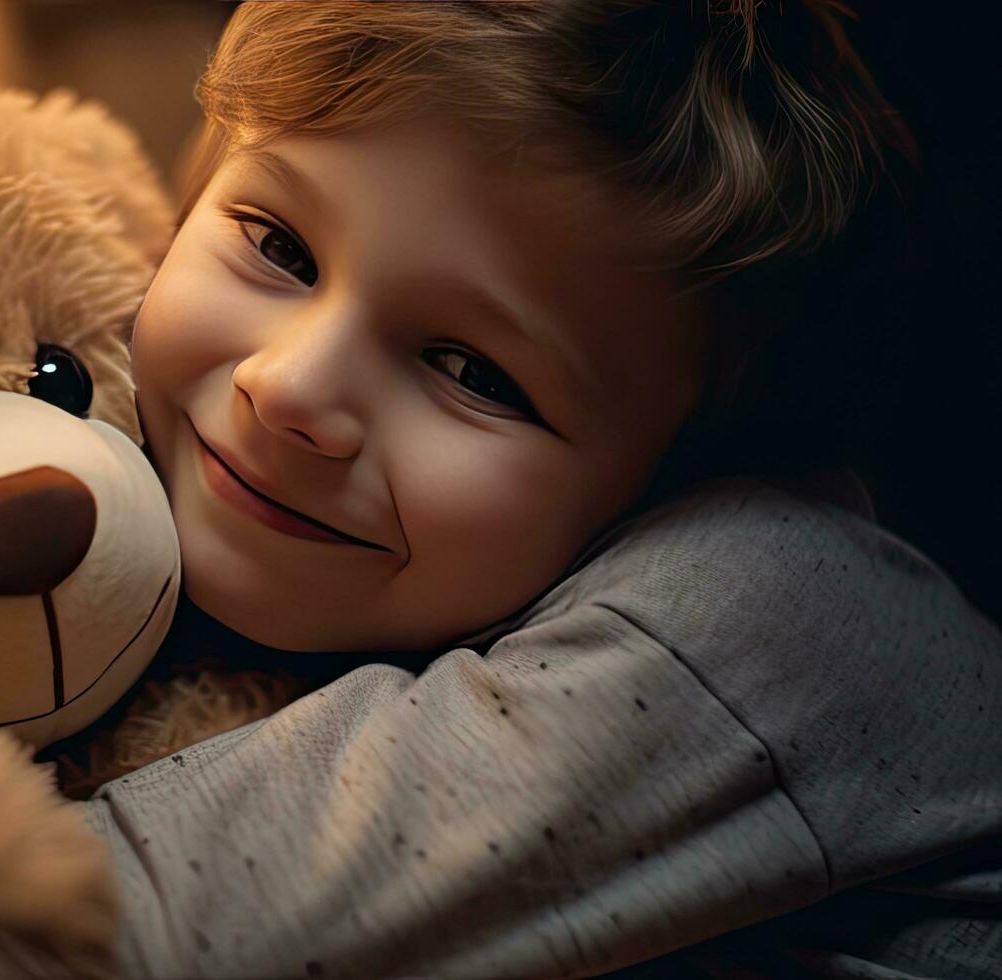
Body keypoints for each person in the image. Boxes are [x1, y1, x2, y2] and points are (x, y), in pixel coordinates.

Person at [74, 2, 1002, 976]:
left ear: (679, 485)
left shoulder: (767, 605)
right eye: (279, 246)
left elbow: (74, 928)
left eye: (473, 372)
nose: (289, 387)